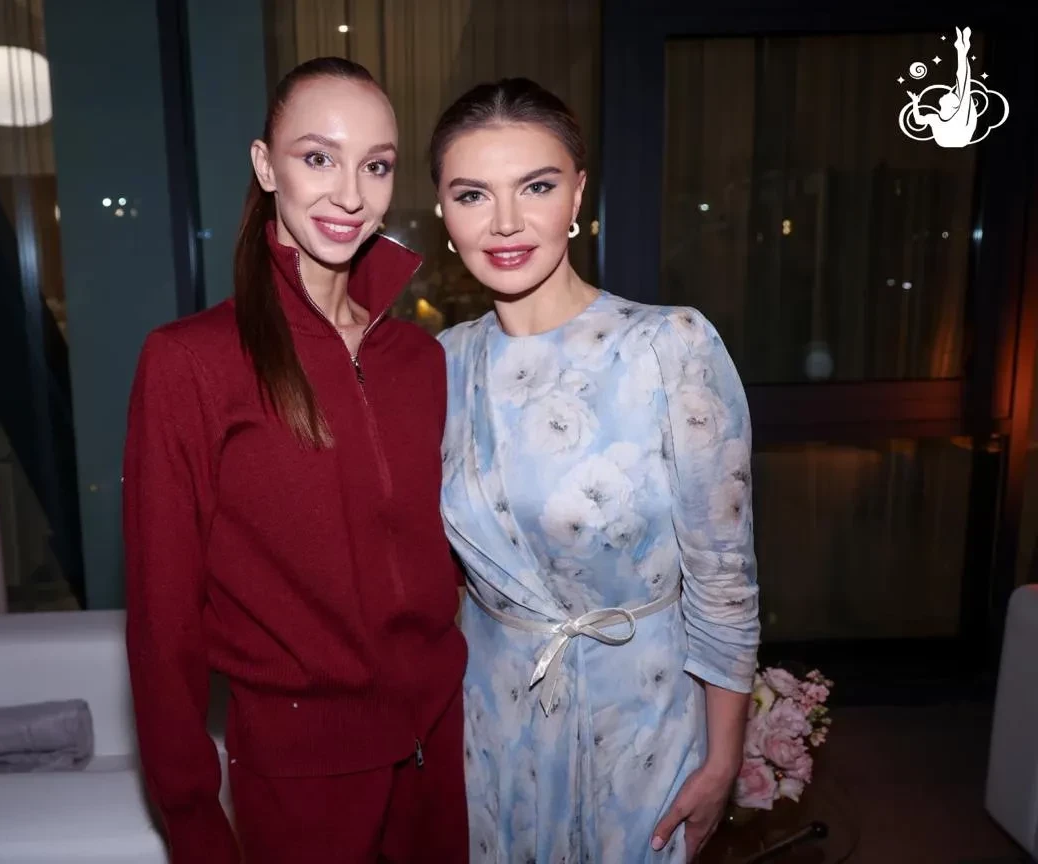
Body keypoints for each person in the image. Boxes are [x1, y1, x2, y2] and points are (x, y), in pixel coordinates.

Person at [122, 56, 468, 864]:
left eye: (376, 166)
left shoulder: (421, 360)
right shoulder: (191, 361)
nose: (350, 195)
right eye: (318, 157)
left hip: (436, 750)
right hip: (302, 779)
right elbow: (162, 620)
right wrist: (193, 819)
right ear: (265, 165)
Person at [431, 78, 761, 862]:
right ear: (443, 212)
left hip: (642, 723)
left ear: (577, 193)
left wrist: (722, 760)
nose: (505, 222)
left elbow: (724, 577)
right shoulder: (438, 364)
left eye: (536, 187)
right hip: (493, 726)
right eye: (472, 194)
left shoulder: (670, 346)